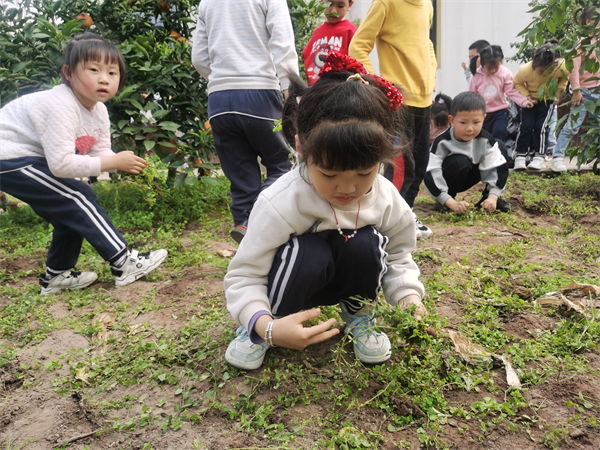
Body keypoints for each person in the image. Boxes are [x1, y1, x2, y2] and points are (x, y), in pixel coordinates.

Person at [223, 52, 425, 371]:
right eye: (329, 175)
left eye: (363, 173)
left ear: (383, 155)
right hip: (291, 286)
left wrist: (408, 298)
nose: (347, 188)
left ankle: (358, 315)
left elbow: (398, 256)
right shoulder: (281, 201)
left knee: (366, 242)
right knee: (309, 251)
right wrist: (265, 326)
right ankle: (266, 326)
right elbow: (245, 274)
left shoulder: (386, 198)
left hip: (346, 278)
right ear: (301, 148)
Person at [0, 33, 168, 294]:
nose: (104, 78)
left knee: (68, 208)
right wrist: (111, 162)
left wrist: (116, 162)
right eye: (94, 69)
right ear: (69, 72)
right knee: (77, 196)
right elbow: (61, 165)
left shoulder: (98, 109)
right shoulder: (59, 104)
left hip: (32, 158)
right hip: (9, 156)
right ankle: (123, 262)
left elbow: (99, 150)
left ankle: (56, 276)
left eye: (112, 73)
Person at [191, 0, 299, 244]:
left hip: (219, 101)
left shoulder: (207, 3)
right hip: (259, 93)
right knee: (281, 164)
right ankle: (255, 222)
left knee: (242, 179)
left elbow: (198, 57)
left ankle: (247, 237)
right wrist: (291, 93)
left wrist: (223, 79)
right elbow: (282, 43)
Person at [348, 0, 437, 240]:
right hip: (399, 102)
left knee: (419, 164)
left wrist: (431, 71)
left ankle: (405, 214)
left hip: (424, 98)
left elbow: (426, 42)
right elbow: (358, 46)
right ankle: (387, 223)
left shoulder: (427, 5)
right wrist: (378, 86)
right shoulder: (386, 3)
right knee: (400, 168)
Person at [424, 91, 510, 215]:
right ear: (452, 120)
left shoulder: (486, 140)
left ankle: (487, 198)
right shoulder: (442, 141)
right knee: (459, 160)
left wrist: (493, 196)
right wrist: (450, 202)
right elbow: (431, 171)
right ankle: (446, 200)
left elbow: (497, 166)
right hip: (451, 178)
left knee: (500, 147)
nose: (469, 128)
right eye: (463, 123)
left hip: (471, 174)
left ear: (483, 119)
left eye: (476, 122)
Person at [552, 6, 599, 173]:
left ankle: (597, 158)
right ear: (589, 22)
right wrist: (577, 90)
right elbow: (574, 68)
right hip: (585, 91)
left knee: (597, 126)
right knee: (572, 125)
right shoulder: (582, 43)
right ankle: (557, 157)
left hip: (598, 93)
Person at [513, 42, 567, 171]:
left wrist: (560, 90)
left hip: (547, 99)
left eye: (549, 72)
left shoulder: (561, 66)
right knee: (526, 126)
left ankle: (539, 157)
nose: (544, 74)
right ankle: (520, 156)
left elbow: (564, 78)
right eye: (541, 71)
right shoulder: (524, 70)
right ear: (534, 65)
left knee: (541, 128)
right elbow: (517, 83)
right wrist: (527, 96)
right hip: (530, 100)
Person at [469, 45, 533, 144]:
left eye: (496, 67)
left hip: (500, 111)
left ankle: (499, 154)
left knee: (499, 131)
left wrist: (524, 102)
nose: (493, 70)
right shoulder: (476, 76)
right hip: (482, 113)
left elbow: (511, 91)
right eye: (489, 68)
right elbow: (472, 96)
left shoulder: (505, 73)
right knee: (483, 137)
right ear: (482, 64)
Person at [302, 0, 356, 86]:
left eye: (340, 6)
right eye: (329, 4)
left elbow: (356, 63)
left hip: (341, 91)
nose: (333, 11)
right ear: (322, 1)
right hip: (317, 90)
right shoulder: (317, 32)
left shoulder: (350, 31)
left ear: (350, 5)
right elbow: (306, 55)